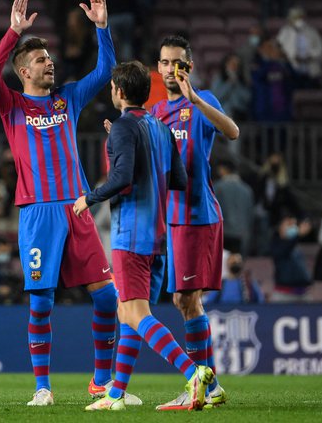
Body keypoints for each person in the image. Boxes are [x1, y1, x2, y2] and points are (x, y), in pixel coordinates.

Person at [0, 0, 140, 407]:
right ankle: (42, 388)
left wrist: (102, 28)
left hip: (77, 207)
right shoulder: (12, 105)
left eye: (49, 57)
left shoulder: (66, 98)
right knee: (42, 302)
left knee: (107, 297)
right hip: (38, 213)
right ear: (22, 71)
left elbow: (106, 70)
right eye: (39, 60)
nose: (49, 62)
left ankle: (101, 382)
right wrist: (14, 32)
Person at [73, 61, 213, 411]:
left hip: (131, 235)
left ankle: (193, 372)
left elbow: (121, 177)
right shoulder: (161, 128)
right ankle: (116, 394)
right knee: (128, 313)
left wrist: (88, 199)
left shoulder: (124, 127)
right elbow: (179, 180)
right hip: (160, 238)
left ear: (119, 91)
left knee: (134, 314)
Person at [151, 35, 240, 409]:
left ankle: (200, 384)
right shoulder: (154, 113)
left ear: (189, 66)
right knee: (184, 300)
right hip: (171, 219)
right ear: (158, 68)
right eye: (166, 62)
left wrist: (197, 101)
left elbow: (233, 131)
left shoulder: (202, 102)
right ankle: (210, 383)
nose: (172, 69)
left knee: (186, 299)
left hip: (196, 214)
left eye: (178, 62)